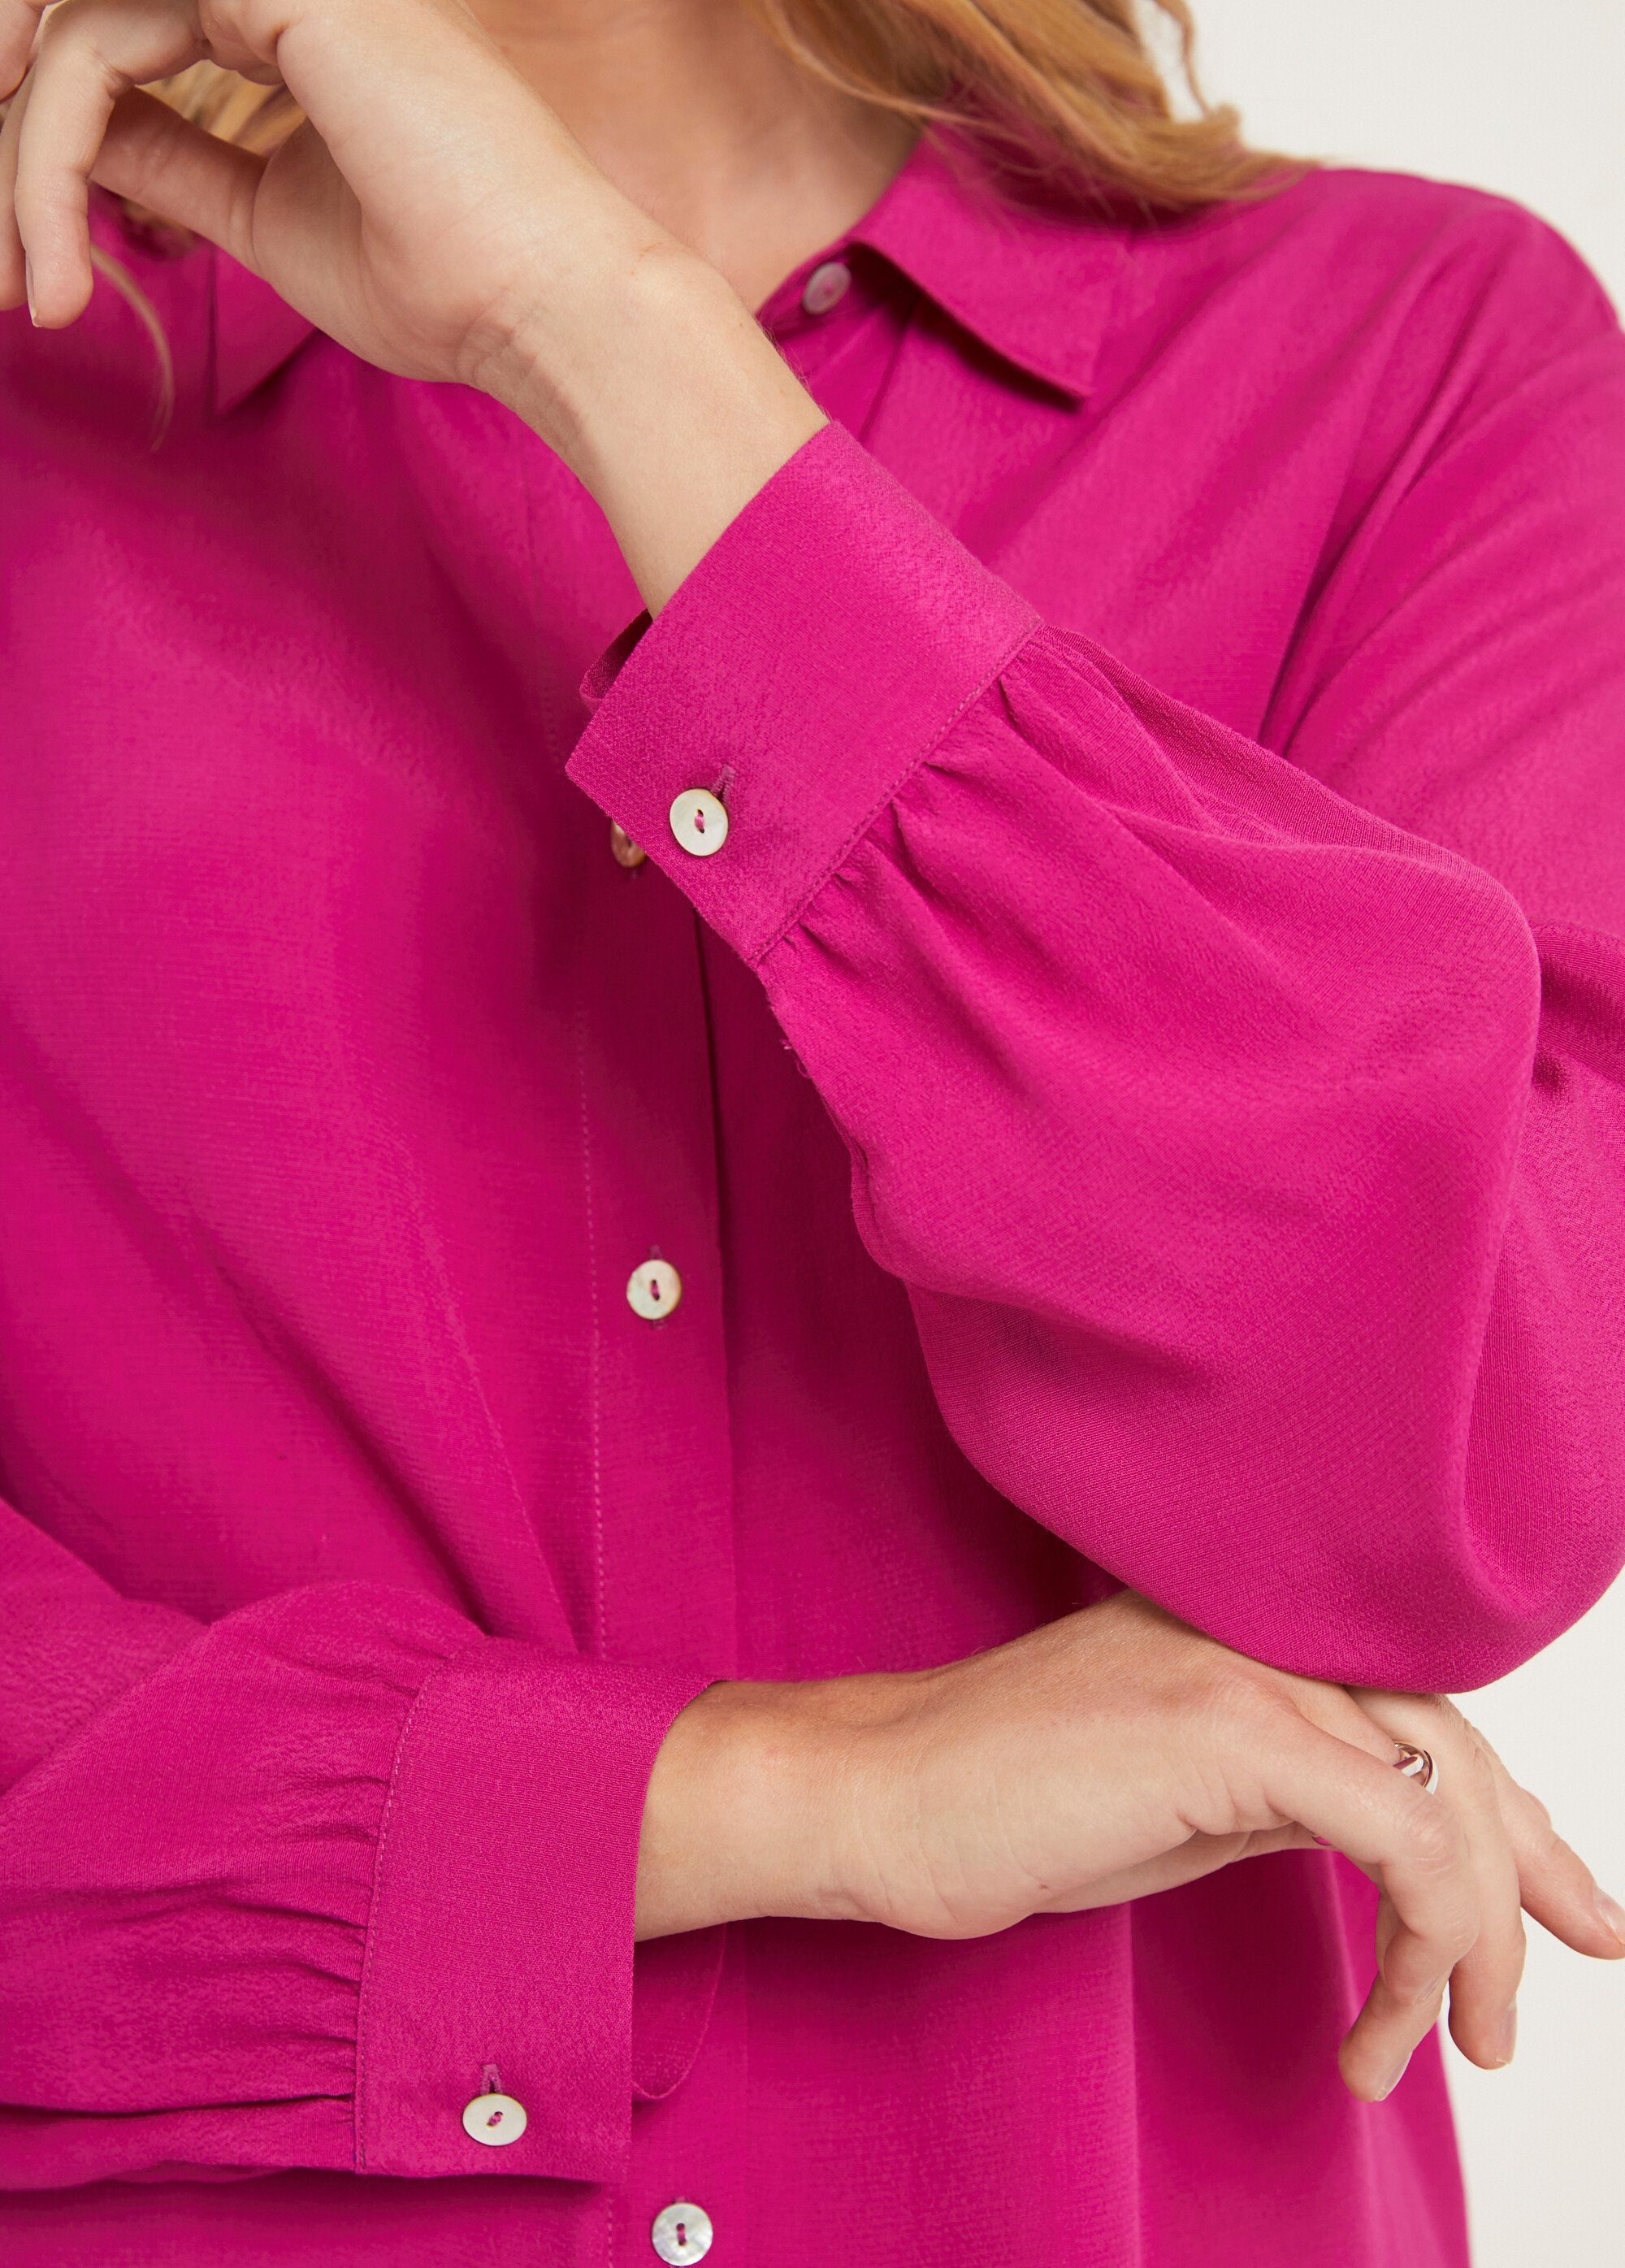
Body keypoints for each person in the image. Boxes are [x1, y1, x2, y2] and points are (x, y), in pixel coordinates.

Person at [2, 0, 1623, 2260]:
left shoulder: (1413, 364)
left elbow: (1449, 1460)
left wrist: (603, 326)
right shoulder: (36, 413)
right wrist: (788, 1798)